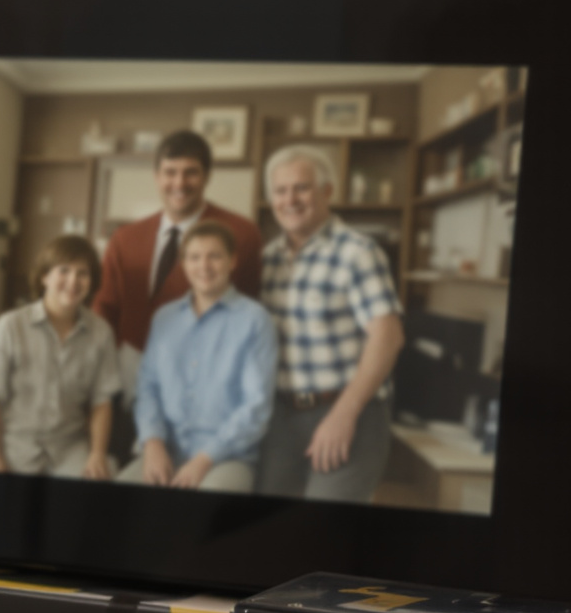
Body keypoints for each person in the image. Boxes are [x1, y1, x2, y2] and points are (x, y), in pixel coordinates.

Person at [258, 144, 404, 500]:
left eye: (302, 188)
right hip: (279, 420)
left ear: (327, 191)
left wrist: (344, 414)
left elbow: (388, 336)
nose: (290, 199)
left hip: (348, 414)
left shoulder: (357, 252)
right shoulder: (266, 260)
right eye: (280, 190)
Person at [124, 222, 276, 493]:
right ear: (183, 263)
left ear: (232, 261)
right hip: (165, 451)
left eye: (214, 256)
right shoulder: (164, 318)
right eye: (194, 257)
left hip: (226, 459)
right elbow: (147, 389)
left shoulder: (255, 320)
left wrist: (205, 459)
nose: (204, 266)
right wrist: (153, 442)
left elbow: (256, 407)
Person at [94, 129, 264, 354]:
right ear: (156, 176)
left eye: (190, 172)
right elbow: (104, 309)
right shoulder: (125, 239)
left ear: (207, 176)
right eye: (170, 172)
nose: (179, 183)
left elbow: (248, 309)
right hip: (128, 369)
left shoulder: (241, 234)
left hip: (204, 366)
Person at [0, 235, 125, 478]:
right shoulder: (10, 326)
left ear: (92, 281)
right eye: (63, 270)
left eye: (82, 273)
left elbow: (101, 402)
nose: (73, 281)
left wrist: (97, 453)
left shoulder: (101, 332)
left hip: (70, 447)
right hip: (13, 443)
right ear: (44, 276)